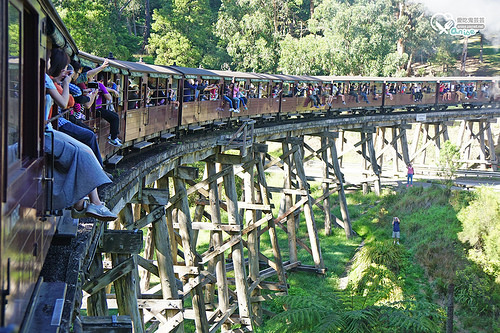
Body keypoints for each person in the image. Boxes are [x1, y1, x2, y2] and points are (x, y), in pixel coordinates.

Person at [45, 48, 116, 221]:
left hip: (47, 131)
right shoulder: (46, 79)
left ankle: (87, 203)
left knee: (84, 151)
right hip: (45, 133)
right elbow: (64, 103)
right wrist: (67, 82)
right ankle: (92, 204)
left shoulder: (48, 79)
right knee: (83, 152)